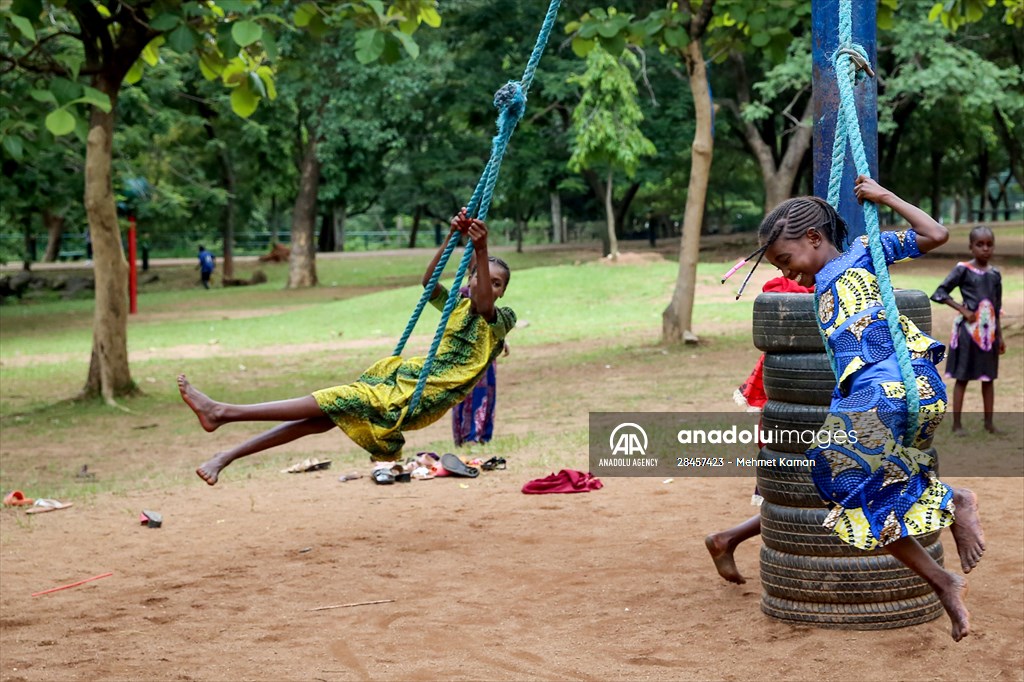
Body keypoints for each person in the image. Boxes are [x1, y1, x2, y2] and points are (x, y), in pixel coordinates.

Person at [729, 176, 985, 642]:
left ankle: (956, 502)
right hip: (893, 395)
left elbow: (936, 236)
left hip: (892, 382)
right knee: (850, 494)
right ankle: (943, 580)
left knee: (835, 464)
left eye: (787, 261)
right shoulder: (820, 280)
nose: (790, 275)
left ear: (813, 237)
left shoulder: (864, 252)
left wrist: (886, 198)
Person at [178, 210, 515, 486]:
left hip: (419, 397)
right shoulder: (455, 307)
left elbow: (484, 304)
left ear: (500, 291)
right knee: (320, 418)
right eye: (479, 276)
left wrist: (482, 251)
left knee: (333, 400)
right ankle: (225, 455)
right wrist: (451, 238)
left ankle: (222, 412)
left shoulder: (498, 319)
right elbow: (429, 282)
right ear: (468, 278)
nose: (486, 283)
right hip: (402, 381)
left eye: (496, 282)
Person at [705, 276, 813, 585]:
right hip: (789, 417)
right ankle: (727, 538)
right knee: (804, 494)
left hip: (806, 410)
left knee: (807, 494)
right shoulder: (782, 291)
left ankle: (727, 539)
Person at [930, 226, 1005, 433]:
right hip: (967, 334)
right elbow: (939, 293)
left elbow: (996, 307)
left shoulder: (995, 274)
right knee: (962, 377)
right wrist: (963, 310)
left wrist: (1000, 336)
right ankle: (957, 424)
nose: (985, 249)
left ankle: (989, 423)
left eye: (989, 244)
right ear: (971, 247)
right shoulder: (963, 269)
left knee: (988, 378)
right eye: (980, 244)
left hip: (988, 335)